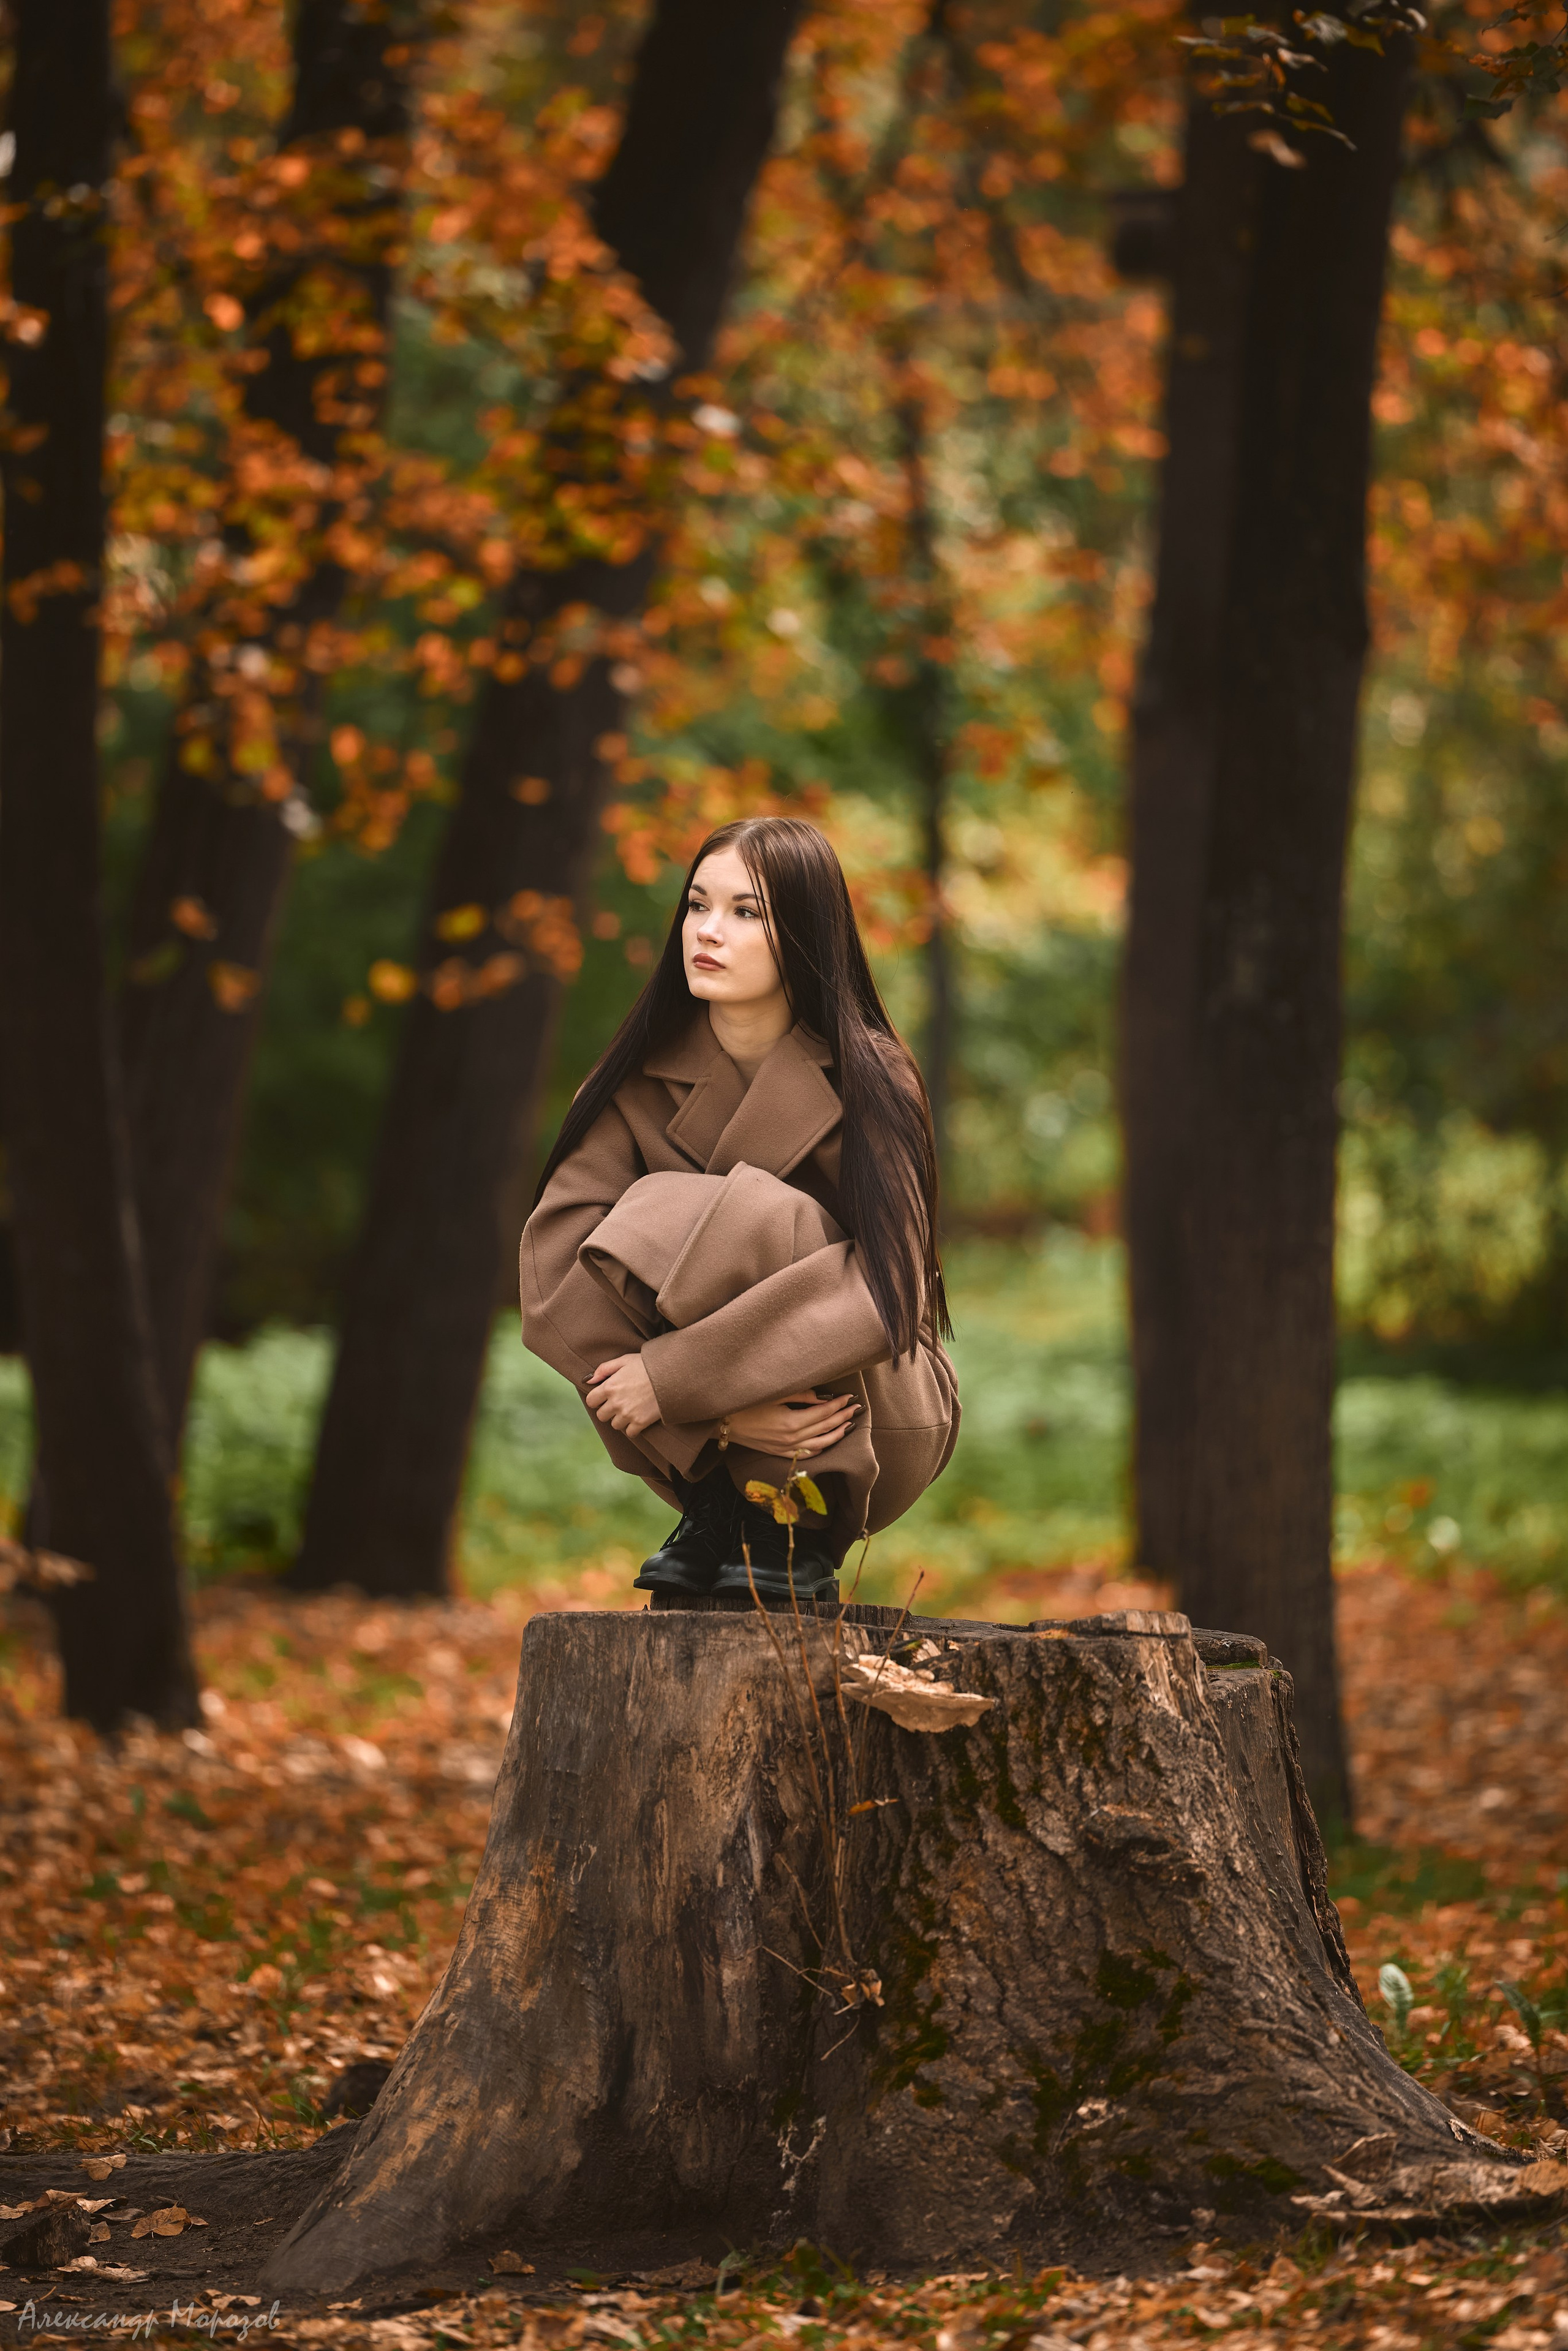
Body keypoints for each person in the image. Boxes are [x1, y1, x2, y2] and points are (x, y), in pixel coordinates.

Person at [519, 815, 960, 1603]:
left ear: (803, 932)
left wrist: (679, 1380)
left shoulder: (873, 1077)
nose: (707, 931)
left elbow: (892, 1293)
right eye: (696, 906)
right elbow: (556, 1272)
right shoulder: (633, 1079)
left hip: (869, 1415)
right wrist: (714, 1418)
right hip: (697, 1446)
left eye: (745, 911)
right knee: (671, 1208)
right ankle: (727, 1515)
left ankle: (790, 1527)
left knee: (749, 1211)